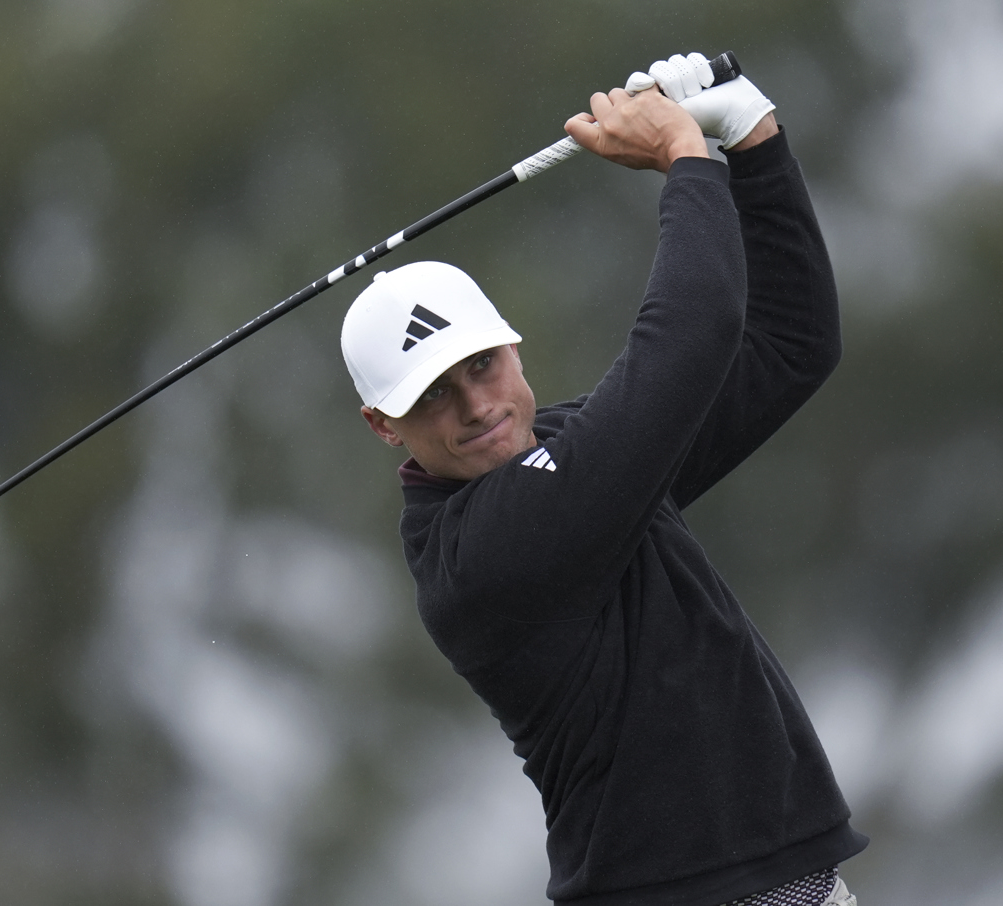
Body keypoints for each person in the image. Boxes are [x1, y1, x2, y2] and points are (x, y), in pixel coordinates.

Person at [340, 52, 867, 906]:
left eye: (481, 366)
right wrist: (686, 160)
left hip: (770, 885)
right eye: (433, 396)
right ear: (383, 425)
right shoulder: (483, 557)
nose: (475, 406)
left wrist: (755, 143)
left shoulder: (574, 458)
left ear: (513, 348)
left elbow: (788, 346)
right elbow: (691, 333)